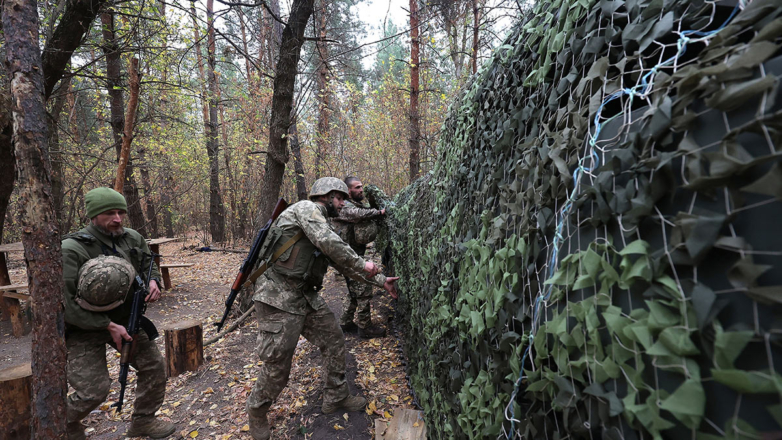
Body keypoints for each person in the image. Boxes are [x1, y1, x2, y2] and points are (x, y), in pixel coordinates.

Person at [247, 177, 400, 440]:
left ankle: (336, 396)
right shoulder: (307, 209)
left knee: (333, 339)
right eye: (339, 198)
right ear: (326, 195)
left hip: (304, 296)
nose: (342, 204)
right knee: (278, 366)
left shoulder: (321, 221)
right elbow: (329, 242)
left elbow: (341, 262)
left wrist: (379, 280)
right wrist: (364, 263)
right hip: (276, 297)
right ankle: (257, 412)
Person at [62, 187, 175, 439]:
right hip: (84, 327)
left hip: (128, 319)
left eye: (120, 212)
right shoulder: (72, 248)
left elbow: (149, 263)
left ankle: (144, 421)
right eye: (109, 213)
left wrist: (155, 280)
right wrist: (106, 325)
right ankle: (61, 423)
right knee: (93, 391)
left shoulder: (132, 238)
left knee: (154, 367)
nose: (117, 219)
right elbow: (66, 305)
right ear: (93, 216)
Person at [331, 176, 387, 338]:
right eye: (357, 187)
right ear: (348, 190)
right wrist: (379, 212)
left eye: (361, 187)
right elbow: (356, 214)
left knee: (353, 291)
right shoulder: (344, 207)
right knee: (363, 289)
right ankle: (365, 327)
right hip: (348, 257)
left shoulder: (353, 204)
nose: (361, 189)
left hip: (352, 255)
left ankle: (345, 322)